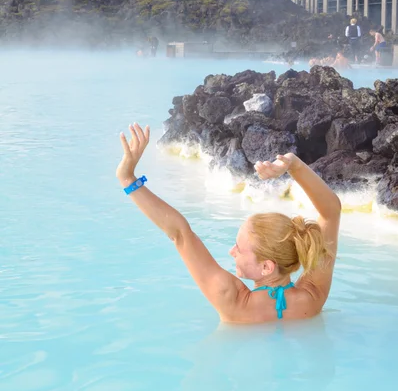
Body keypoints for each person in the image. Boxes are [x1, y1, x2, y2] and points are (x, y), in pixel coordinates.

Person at [116, 123, 341, 324]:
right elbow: (331, 212)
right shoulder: (312, 298)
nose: (232, 251)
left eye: (239, 248)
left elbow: (180, 234)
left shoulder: (233, 302)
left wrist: (127, 178)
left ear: (266, 267)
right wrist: (294, 165)